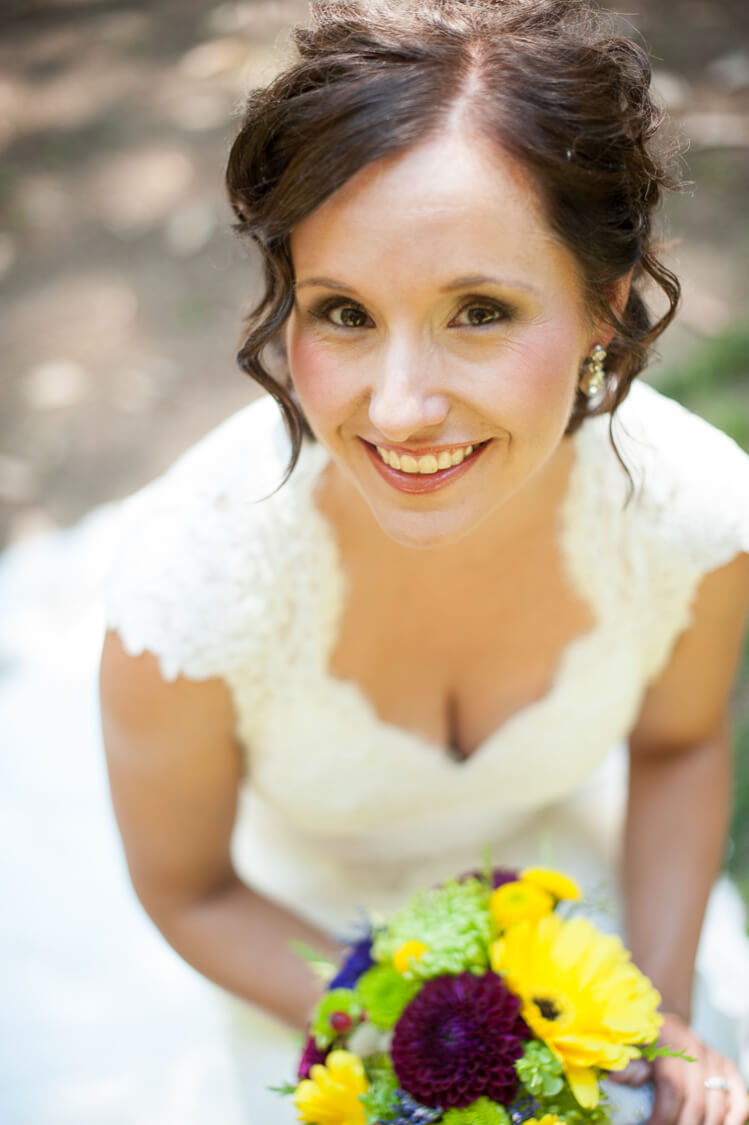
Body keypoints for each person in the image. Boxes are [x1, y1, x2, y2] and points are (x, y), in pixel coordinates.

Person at [98, 0, 749, 1122]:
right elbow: (190, 888)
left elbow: (680, 745)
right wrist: (428, 1041)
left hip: (589, 915)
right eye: (342, 311)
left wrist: (651, 1006)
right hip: (304, 966)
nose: (398, 408)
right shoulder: (190, 586)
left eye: (480, 311)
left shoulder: (691, 515)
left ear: (605, 302)